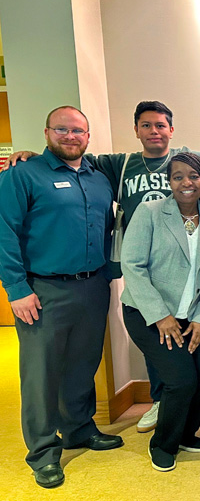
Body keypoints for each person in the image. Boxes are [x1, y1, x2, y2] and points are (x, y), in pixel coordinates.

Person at [5, 100, 200, 433]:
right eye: (146, 125)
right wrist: (34, 157)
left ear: (171, 130)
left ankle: (83, 428)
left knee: (88, 359)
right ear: (136, 129)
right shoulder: (119, 165)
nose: (154, 131)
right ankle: (162, 403)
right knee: (50, 368)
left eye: (160, 125)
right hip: (78, 279)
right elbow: (69, 157)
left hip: (198, 269)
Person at [0, 106, 122, 489]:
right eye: (62, 130)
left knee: (83, 365)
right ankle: (42, 452)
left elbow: (106, 230)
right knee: (41, 374)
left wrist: (108, 275)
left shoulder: (99, 178)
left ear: (88, 137)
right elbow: (5, 233)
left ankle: (79, 430)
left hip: (92, 285)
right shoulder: (22, 175)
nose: (71, 136)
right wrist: (16, 290)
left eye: (78, 131)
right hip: (43, 291)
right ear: (47, 132)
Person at [121, 152, 200, 472]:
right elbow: (133, 266)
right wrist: (160, 316)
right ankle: (163, 443)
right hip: (147, 313)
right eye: (178, 176)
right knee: (181, 380)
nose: (186, 182)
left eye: (193, 176)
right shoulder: (150, 212)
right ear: (169, 182)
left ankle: (184, 433)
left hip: (194, 316)